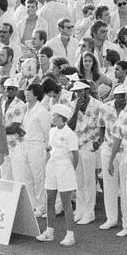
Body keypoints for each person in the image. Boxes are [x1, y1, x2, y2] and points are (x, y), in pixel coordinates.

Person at [36, 103, 79, 246]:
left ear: (61, 118)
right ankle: (49, 232)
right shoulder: (52, 131)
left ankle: (70, 235)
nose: (52, 117)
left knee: (66, 203)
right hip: (52, 167)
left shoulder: (70, 134)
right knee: (50, 200)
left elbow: (75, 155)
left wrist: (70, 170)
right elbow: (50, 148)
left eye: (54, 115)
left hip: (65, 167)